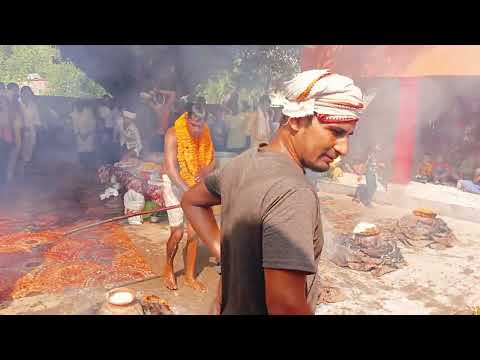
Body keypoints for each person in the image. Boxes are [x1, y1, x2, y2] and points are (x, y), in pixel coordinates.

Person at [181, 69, 365, 314]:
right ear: (297, 120)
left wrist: (228, 256)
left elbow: (191, 200)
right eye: (336, 132)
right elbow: (286, 307)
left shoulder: (243, 162)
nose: (344, 148)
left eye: (348, 135)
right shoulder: (293, 193)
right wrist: (227, 254)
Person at [162, 102, 216, 291]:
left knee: (194, 233)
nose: (197, 129)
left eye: (200, 126)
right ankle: (168, 267)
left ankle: (189, 276)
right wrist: (188, 192)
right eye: (193, 125)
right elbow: (170, 169)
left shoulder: (205, 132)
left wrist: (206, 169)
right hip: (175, 185)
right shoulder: (173, 134)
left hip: (194, 185)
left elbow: (213, 159)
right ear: (186, 120)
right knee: (177, 233)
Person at [19, 86, 42, 171]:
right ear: (21, 94)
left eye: (28, 93)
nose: (26, 95)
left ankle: (25, 167)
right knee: (19, 149)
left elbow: (36, 119)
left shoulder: (33, 105)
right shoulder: (17, 104)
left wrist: (38, 128)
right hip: (19, 130)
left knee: (29, 150)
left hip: (31, 131)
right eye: (24, 93)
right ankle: (18, 168)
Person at [71, 100, 97, 173]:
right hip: (79, 134)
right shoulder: (74, 112)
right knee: (80, 149)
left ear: (83, 105)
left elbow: (92, 123)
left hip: (89, 134)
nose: (79, 106)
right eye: (77, 105)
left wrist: (87, 133)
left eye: (80, 104)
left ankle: (89, 165)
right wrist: (78, 133)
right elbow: (74, 124)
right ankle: (82, 165)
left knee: (89, 149)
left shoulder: (88, 111)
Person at [5, 83, 24, 183]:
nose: (16, 92)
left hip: (16, 131)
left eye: (17, 90)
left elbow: (20, 117)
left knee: (15, 151)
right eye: (14, 90)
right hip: (6, 130)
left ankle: (10, 173)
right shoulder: (4, 101)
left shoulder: (18, 103)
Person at [0, 83, 12, 188]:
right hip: (4, 136)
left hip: (4, 136)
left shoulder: (5, 101)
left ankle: (3, 184)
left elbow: (6, 120)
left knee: (3, 161)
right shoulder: (5, 101)